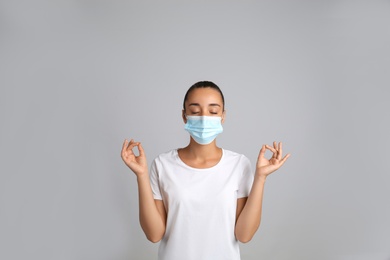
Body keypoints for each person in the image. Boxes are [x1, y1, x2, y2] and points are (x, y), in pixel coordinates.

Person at [121, 81, 290, 260]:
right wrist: (141, 175)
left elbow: (244, 235)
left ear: (223, 116)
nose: (203, 118)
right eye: (195, 111)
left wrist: (261, 178)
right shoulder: (163, 164)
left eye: (213, 111)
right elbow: (154, 234)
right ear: (184, 116)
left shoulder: (239, 164)